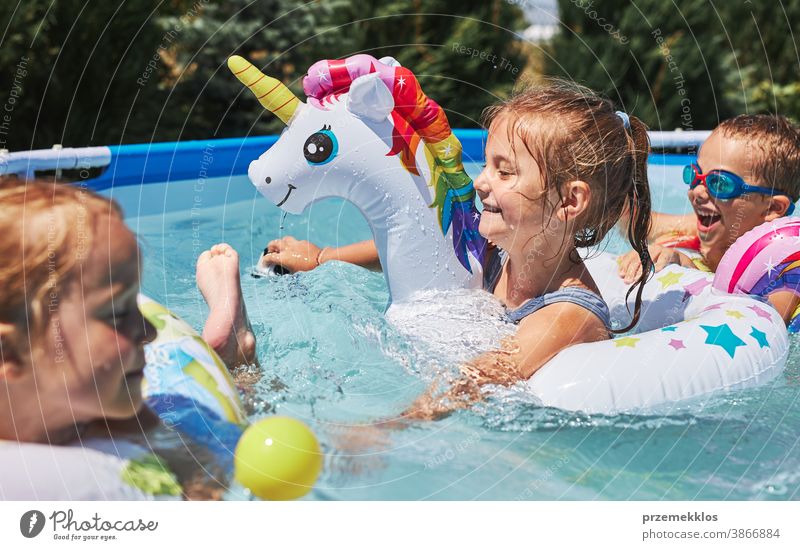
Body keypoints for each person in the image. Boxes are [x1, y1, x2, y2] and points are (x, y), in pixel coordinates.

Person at [265, 81, 653, 420]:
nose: (481, 182)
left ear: (570, 201)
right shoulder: (494, 253)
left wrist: (390, 426)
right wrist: (322, 258)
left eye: (505, 171)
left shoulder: (568, 315)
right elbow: (417, 253)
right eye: (486, 164)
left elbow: (479, 379)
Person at [0, 178, 255, 499]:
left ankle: (236, 355)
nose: (149, 332)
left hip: (164, 388)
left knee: (244, 408)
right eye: (117, 314)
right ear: (9, 351)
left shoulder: (113, 409)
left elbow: (200, 468)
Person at [617, 114, 800, 322]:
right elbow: (633, 223)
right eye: (695, 176)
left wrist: (687, 268)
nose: (698, 192)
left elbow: (753, 326)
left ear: (772, 208)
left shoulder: (784, 270)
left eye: (720, 183)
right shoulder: (694, 229)